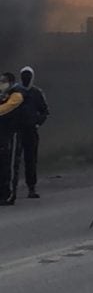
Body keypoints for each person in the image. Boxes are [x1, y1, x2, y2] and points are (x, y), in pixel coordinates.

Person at [12, 66, 49, 199]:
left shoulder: (36, 93)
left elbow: (45, 111)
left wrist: (38, 122)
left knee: (31, 159)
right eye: (24, 75)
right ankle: (12, 188)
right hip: (16, 131)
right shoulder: (14, 91)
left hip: (31, 130)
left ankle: (31, 187)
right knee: (13, 161)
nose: (26, 78)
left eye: (28, 75)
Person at [0, 73, 24, 206]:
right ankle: (1, 193)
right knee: (1, 165)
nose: (1, 83)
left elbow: (6, 108)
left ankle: (10, 194)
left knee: (10, 164)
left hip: (13, 133)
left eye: (3, 81)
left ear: (11, 82)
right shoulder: (1, 95)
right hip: (2, 133)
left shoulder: (17, 94)